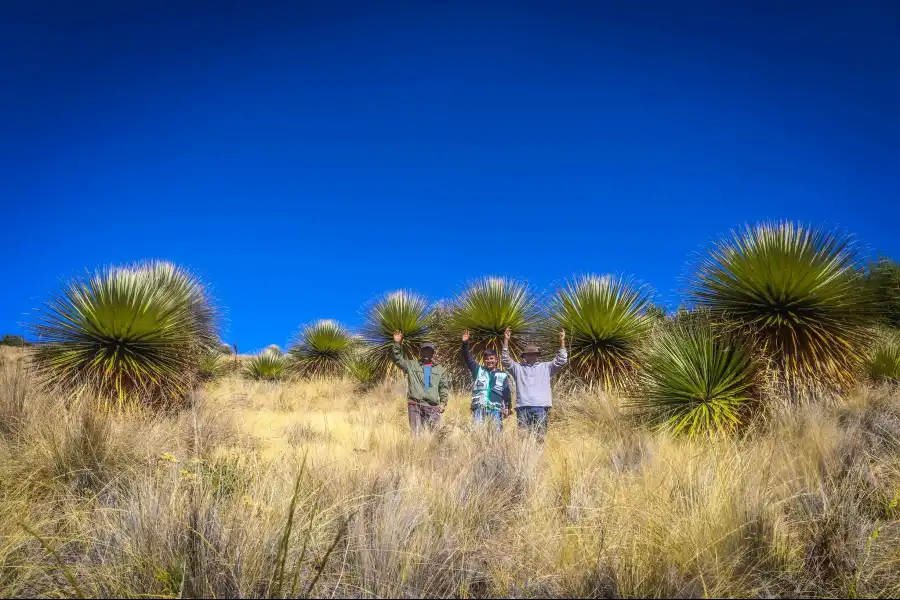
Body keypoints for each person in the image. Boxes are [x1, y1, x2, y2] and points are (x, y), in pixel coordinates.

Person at [501, 327, 567, 439]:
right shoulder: (518, 368)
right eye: (528, 354)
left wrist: (562, 342)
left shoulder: (546, 367)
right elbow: (505, 361)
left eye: (533, 354)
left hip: (541, 407)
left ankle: (539, 456)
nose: (531, 356)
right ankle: (526, 457)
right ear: (524, 356)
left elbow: (562, 360)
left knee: (540, 437)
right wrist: (506, 341)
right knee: (523, 438)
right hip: (523, 407)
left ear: (537, 355)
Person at [391, 331, 450, 436]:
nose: (427, 353)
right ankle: (418, 452)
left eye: (429, 351)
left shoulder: (440, 370)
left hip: (433, 406)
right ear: (421, 353)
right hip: (415, 405)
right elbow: (397, 359)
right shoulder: (411, 365)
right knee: (416, 435)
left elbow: (443, 388)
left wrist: (443, 403)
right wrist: (397, 344)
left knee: (436, 435)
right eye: (424, 351)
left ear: (432, 353)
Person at [461, 329, 511, 431]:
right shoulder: (478, 370)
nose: (489, 361)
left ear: (496, 360)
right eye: (487, 359)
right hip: (479, 409)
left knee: (495, 438)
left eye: (491, 358)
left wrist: (507, 407)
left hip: (495, 410)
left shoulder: (502, 374)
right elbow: (468, 359)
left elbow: (507, 393)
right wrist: (465, 343)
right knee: (478, 437)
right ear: (484, 360)